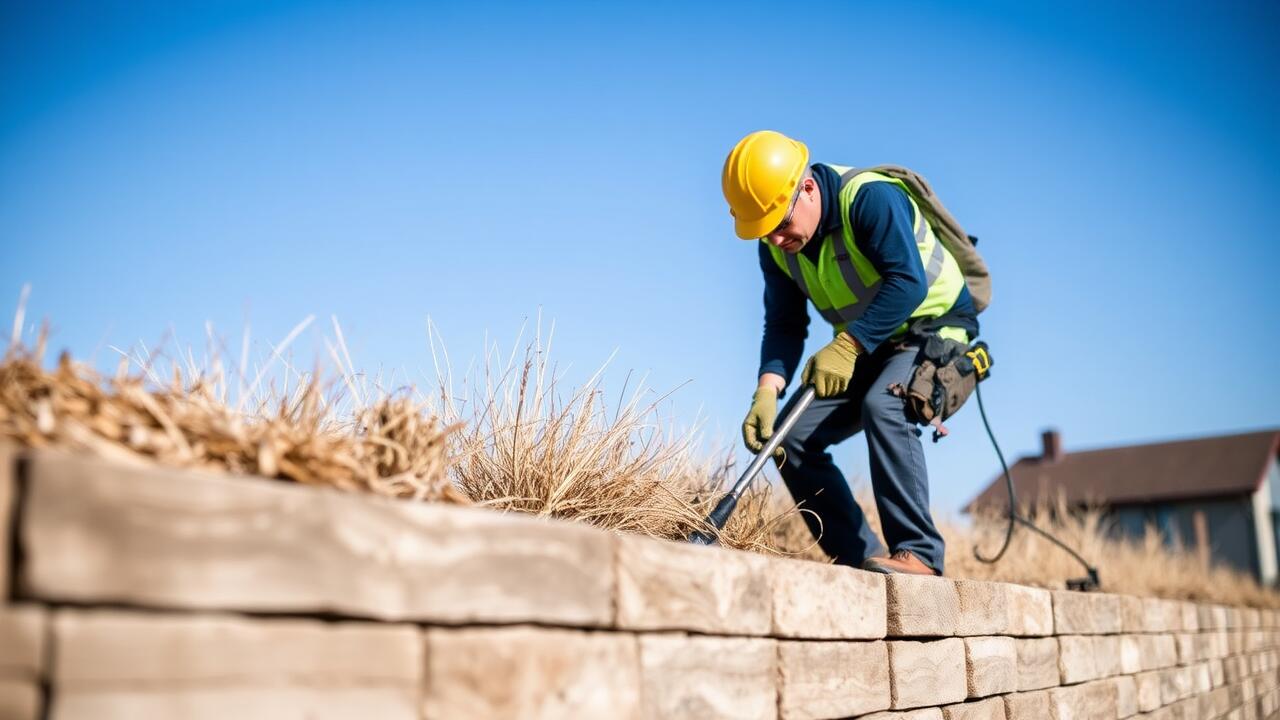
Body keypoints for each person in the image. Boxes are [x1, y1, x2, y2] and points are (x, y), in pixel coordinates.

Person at [722, 130, 979, 576]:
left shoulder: (870, 198)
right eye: (764, 232)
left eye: (780, 224)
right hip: (868, 341)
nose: (777, 240)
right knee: (791, 441)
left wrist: (848, 344)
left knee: (885, 404)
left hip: (935, 328)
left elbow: (908, 281)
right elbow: (784, 324)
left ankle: (919, 554)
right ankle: (860, 559)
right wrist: (767, 389)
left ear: (806, 188)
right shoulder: (777, 249)